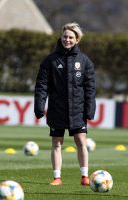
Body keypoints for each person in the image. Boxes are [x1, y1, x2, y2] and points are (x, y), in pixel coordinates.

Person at [34, 22, 96, 186]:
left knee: (81, 142)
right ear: (61, 37)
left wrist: (90, 108)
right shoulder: (50, 61)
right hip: (57, 109)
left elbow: (90, 88)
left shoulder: (85, 62)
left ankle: (84, 176)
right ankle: (57, 178)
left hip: (78, 109)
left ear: (77, 40)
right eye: (64, 37)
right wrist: (39, 106)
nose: (67, 40)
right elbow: (41, 85)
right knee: (56, 143)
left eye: (70, 37)